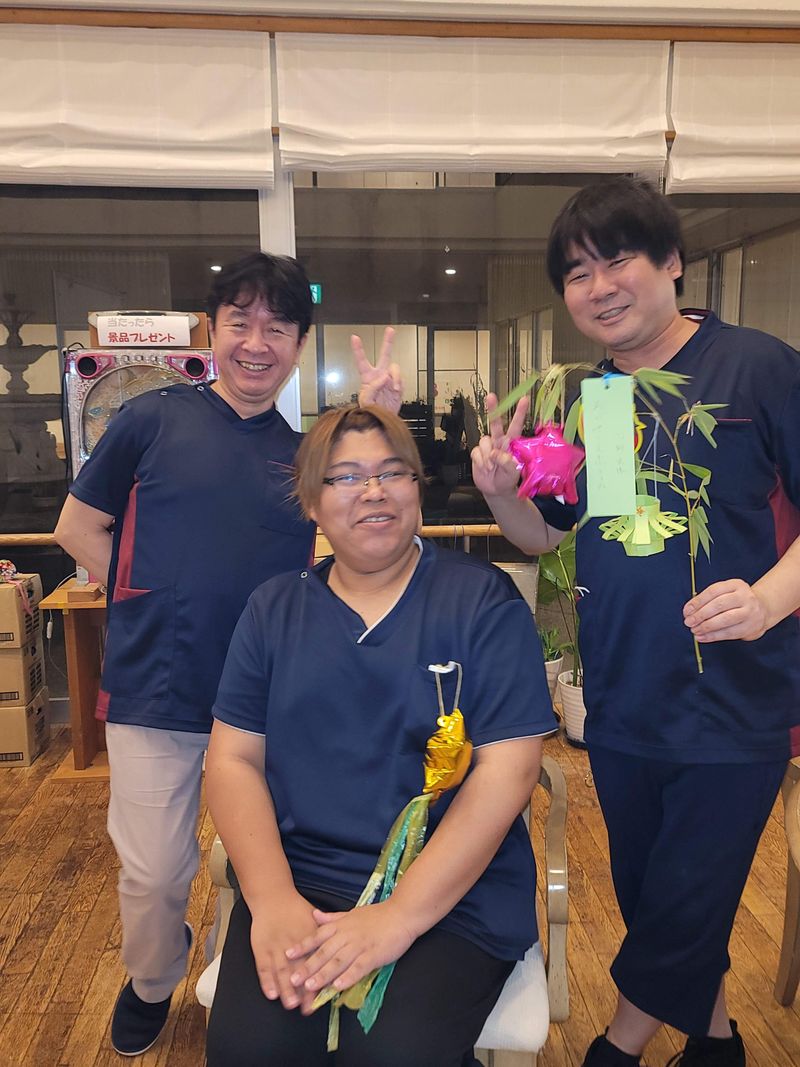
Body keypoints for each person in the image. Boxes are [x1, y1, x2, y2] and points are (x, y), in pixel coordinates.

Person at [472, 176, 800, 1067]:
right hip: (622, 693)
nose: (599, 287)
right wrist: (501, 494)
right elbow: (553, 535)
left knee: (688, 894)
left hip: (733, 698)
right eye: (577, 274)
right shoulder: (600, 398)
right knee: (659, 896)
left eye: (616, 260)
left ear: (672, 263)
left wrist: (768, 599)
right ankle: (718, 1042)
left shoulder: (759, 368)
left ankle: (614, 1049)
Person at [53, 253, 402, 1057]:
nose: (256, 342)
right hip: (156, 686)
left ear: (299, 344)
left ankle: (240, 977)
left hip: (271, 699)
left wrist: (378, 420)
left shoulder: (305, 456)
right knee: (153, 872)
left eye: (277, 328)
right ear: (212, 331)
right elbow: (77, 527)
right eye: (240, 322)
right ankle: (152, 978)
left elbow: (368, 522)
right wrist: (145, 597)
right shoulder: (151, 419)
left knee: (269, 863)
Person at [204, 404, 557, 1067]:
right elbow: (232, 761)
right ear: (312, 503)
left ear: (418, 488)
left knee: (391, 1054)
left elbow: (509, 770)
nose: (373, 491)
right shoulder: (273, 610)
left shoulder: (482, 602)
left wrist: (399, 916)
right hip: (303, 881)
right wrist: (271, 898)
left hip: (452, 896)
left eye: (393, 472)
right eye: (345, 477)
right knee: (250, 1050)